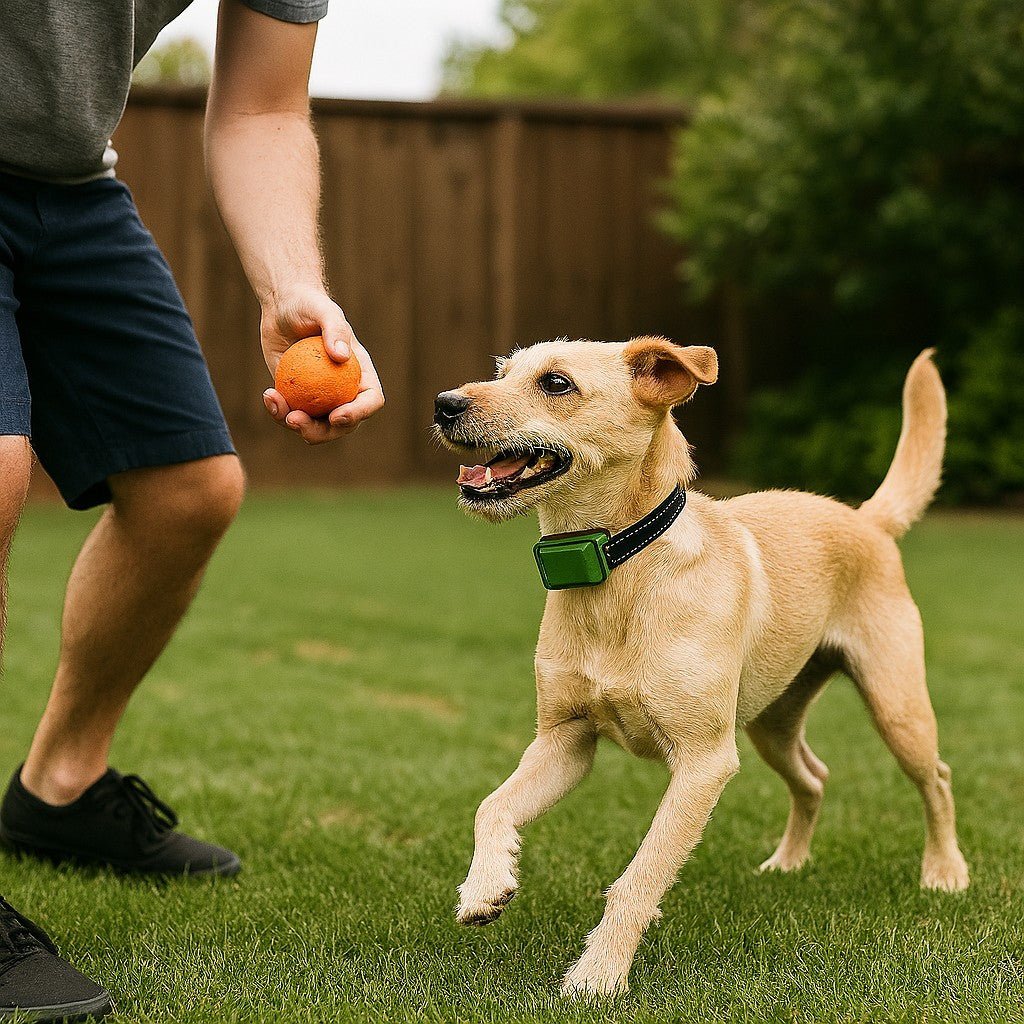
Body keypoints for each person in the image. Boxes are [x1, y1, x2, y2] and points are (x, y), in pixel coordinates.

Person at [0, 1, 384, 1019]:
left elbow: (263, 107)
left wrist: (292, 287)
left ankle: (59, 788)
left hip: (69, 186)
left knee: (187, 489)